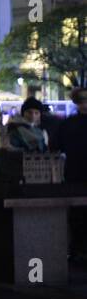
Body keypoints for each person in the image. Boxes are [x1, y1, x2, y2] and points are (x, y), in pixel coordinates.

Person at [61, 88, 87, 260]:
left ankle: (78, 248)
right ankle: (79, 248)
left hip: (74, 172)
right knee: (78, 214)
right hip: (76, 173)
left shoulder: (69, 123)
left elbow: (58, 145)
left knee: (77, 214)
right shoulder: (69, 123)